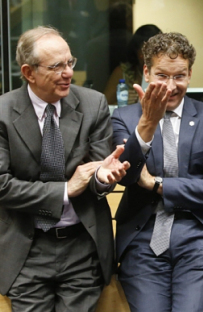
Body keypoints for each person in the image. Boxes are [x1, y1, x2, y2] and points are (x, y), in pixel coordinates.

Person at [0, 26, 130, 312]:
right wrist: (65, 189)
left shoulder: (92, 104)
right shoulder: (3, 113)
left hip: (81, 246)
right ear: (28, 72)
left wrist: (103, 177)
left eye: (70, 62)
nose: (68, 73)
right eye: (56, 66)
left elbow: (96, 173)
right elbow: (1, 185)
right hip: (27, 247)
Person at [111, 32, 203, 312]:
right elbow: (129, 177)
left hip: (200, 235)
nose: (170, 86)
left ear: (190, 74)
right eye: (161, 75)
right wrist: (147, 124)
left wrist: (156, 183)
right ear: (146, 72)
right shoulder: (124, 118)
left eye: (178, 76)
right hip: (143, 238)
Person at [104, 24, 162, 105]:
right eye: (145, 52)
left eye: (155, 52)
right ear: (136, 50)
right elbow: (104, 105)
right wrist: (123, 101)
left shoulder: (167, 72)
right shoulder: (123, 72)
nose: (149, 57)